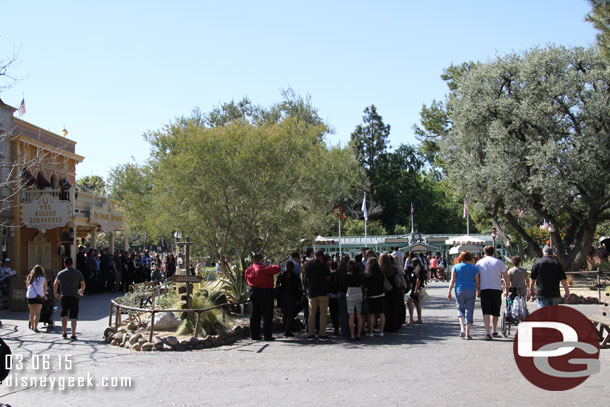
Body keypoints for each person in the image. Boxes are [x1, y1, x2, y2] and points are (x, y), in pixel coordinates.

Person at [244, 253, 280, 341]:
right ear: (261, 260)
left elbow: (246, 278)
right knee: (267, 314)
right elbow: (277, 269)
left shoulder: (249, 270)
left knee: (255, 314)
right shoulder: (262, 268)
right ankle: (267, 335)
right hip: (265, 292)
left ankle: (254, 335)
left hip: (254, 291)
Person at [476, 246, 509, 340]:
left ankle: (487, 332)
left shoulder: (479, 262)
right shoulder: (499, 262)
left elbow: (477, 277)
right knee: (495, 312)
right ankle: (494, 330)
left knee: (486, 312)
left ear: (484, 252)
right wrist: (507, 288)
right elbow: (506, 276)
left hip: (485, 288)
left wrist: (477, 289)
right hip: (496, 289)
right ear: (493, 252)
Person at [447, 251, 480, 340]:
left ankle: (462, 328)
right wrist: (478, 290)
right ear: (470, 258)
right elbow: (477, 281)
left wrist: (449, 291)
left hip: (459, 290)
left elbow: (452, 280)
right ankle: (468, 334)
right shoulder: (474, 268)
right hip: (471, 290)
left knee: (460, 308)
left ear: (461, 258)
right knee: (469, 310)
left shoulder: (456, 267)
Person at [54, 257, 85, 340]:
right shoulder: (77, 273)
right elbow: (83, 284)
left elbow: (55, 284)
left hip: (64, 296)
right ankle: (73, 334)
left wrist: (55, 293)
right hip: (74, 296)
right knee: (73, 315)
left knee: (64, 314)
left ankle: (64, 332)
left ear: (64, 264)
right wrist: (81, 290)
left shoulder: (61, 273)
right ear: (72, 263)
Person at [304, 250, 330, 341]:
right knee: (323, 314)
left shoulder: (309, 265)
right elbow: (327, 278)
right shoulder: (325, 266)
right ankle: (322, 334)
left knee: (311, 314)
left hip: (312, 291)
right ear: (322, 256)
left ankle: (310, 334)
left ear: (315, 255)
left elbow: (306, 278)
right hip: (322, 291)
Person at [275, 260, 302, 337]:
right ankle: (288, 329)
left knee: (284, 313)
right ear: (293, 268)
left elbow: (277, 285)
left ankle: (284, 328)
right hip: (292, 297)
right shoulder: (296, 276)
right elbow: (299, 288)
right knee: (290, 314)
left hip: (283, 297)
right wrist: (298, 298)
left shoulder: (281, 275)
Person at [363, 257, 385, 337]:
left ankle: (371, 332)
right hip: (381, 294)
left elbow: (365, 286)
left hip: (371, 295)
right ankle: (381, 331)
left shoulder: (367, 274)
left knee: (371, 314)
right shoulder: (380, 273)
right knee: (381, 313)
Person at [345, 259, 364, 340]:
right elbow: (362, 284)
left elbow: (345, 284)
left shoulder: (347, 275)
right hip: (359, 293)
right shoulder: (360, 275)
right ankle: (359, 334)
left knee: (351, 316)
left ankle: (352, 335)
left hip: (350, 293)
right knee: (359, 315)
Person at [26, 265, 47, 333]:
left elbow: (27, 287)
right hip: (39, 296)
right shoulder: (43, 278)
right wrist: (43, 295)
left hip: (30, 295)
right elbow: (45, 288)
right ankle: (35, 327)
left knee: (32, 313)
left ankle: (32, 326)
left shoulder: (30, 277)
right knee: (37, 313)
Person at [407, 258, 426, 325]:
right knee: (417, 303)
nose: (410, 264)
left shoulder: (417, 269)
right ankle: (419, 319)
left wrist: (415, 289)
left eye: (411, 263)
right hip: (419, 288)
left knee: (409, 302)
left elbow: (418, 280)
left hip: (416, 288)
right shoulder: (421, 268)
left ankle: (411, 319)